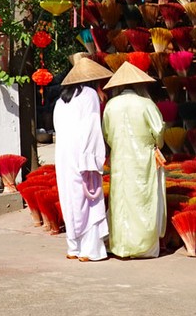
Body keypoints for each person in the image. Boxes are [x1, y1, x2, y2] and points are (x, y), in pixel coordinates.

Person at [52, 55, 112, 262]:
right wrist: (93, 158)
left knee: (70, 197)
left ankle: (73, 246)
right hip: (83, 152)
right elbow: (92, 127)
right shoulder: (89, 95)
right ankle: (89, 249)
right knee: (88, 197)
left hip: (64, 154)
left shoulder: (61, 100)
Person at [102, 62, 165, 258]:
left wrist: (117, 146)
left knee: (121, 200)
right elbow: (159, 130)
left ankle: (121, 245)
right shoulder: (146, 104)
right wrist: (156, 145)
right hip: (143, 159)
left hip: (120, 158)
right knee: (143, 199)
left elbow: (106, 134)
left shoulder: (111, 106)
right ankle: (144, 247)